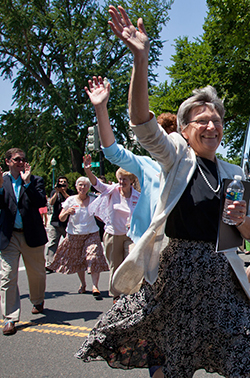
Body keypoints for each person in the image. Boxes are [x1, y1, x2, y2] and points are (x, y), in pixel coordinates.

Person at [76, 6, 250, 378]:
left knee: (237, 357)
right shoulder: (176, 155)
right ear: (184, 128)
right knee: (174, 360)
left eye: (217, 119)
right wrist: (140, 58)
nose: (211, 125)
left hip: (219, 273)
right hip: (175, 272)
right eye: (202, 120)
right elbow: (143, 125)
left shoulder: (233, 172)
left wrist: (244, 223)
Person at [83, 75, 167, 302]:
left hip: (173, 252)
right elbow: (112, 152)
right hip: (143, 247)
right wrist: (101, 108)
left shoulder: (189, 169)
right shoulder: (146, 166)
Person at [0, 148, 48, 336]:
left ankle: (37, 300)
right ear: (8, 161)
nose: (21, 162)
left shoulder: (35, 180)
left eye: (23, 159)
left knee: (37, 274)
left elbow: (40, 203)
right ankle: (10, 318)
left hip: (32, 234)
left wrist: (28, 182)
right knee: (8, 276)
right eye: (17, 159)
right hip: (9, 235)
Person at [83, 155, 139, 302]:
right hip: (113, 234)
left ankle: (131, 291)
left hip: (130, 235)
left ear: (132, 180)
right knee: (115, 265)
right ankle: (116, 294)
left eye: (125, 179)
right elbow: (97, 184)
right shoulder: (112, 190)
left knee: (131, 260)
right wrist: (88, 171)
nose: (121, 182)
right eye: (120, 179)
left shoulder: (138, 196)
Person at [48, 177, 109, 299]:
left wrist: (107, 220)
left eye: (85, 185)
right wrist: (66, 212)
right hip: (74, 234)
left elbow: (100, 215)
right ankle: (83, 284)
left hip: (91, 233)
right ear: (76, 187)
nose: (83, 187)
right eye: (80, 185)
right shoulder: (70, 200)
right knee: (78, 261)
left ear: (88, 187)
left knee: (94, 257)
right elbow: (61, 218)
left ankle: (95, 286)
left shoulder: (93, 200)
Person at [45, 176, 75, 271]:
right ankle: (50, 264)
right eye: (60, 182)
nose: (62, 184)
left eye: (64, 182)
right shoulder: (55, 192)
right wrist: (57, 192)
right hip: (55, 222)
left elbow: (71, 201)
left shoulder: (70, 192)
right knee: (52, 242)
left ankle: (71, 262)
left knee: (70, 243)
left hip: (68, 222)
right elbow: (51, 202)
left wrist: (63, 192)